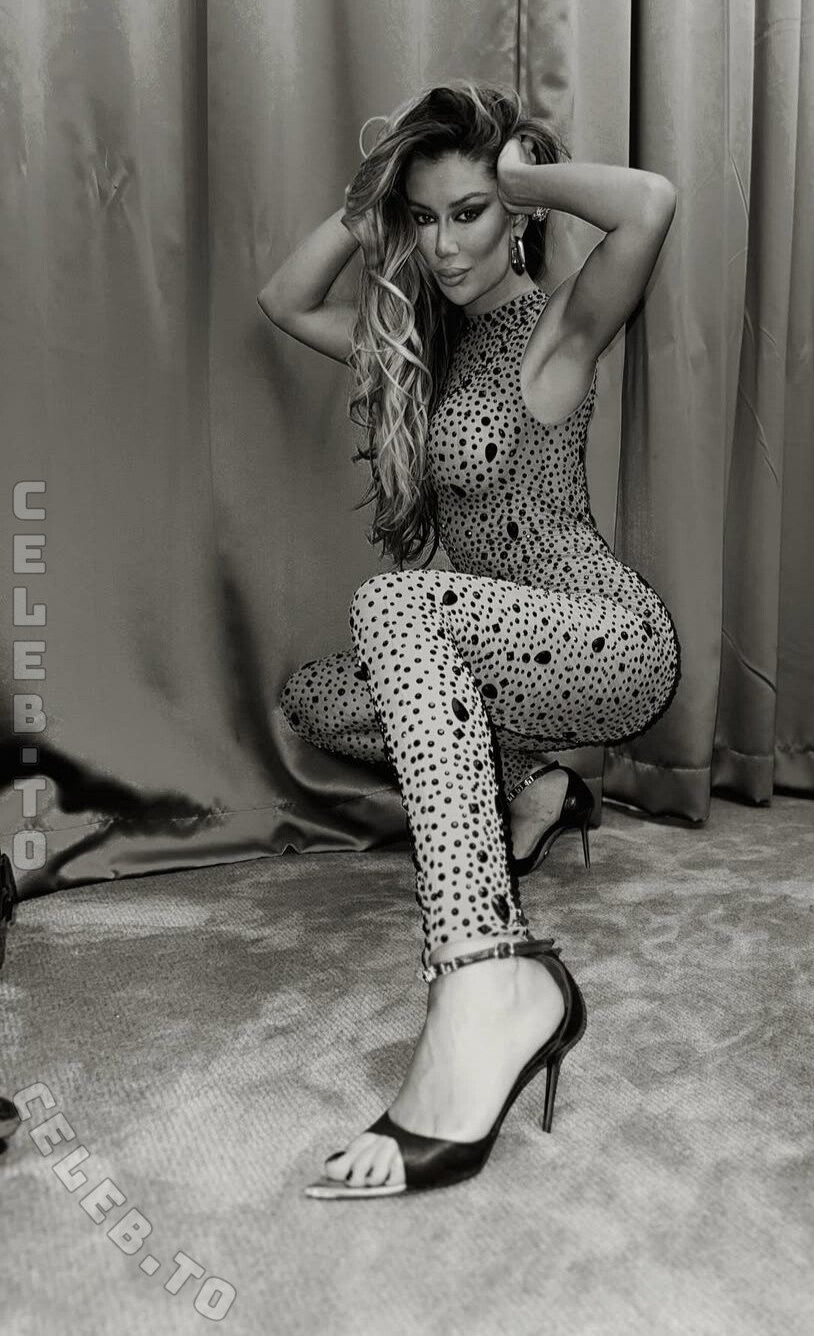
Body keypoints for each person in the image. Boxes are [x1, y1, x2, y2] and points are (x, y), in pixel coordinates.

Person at [257, 80, 681, 1198]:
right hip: (486, 648)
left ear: (516, 214)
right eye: (427, 217)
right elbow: (285, 300)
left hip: (603, 636)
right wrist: (370, 207)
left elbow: (647, 201)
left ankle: (484, 969)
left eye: (471, 213)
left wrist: (521, 174)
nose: (445, 245)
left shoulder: (560, 326)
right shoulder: (419, 347)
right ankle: (538, 783)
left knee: (394, 605)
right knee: (318, 695)